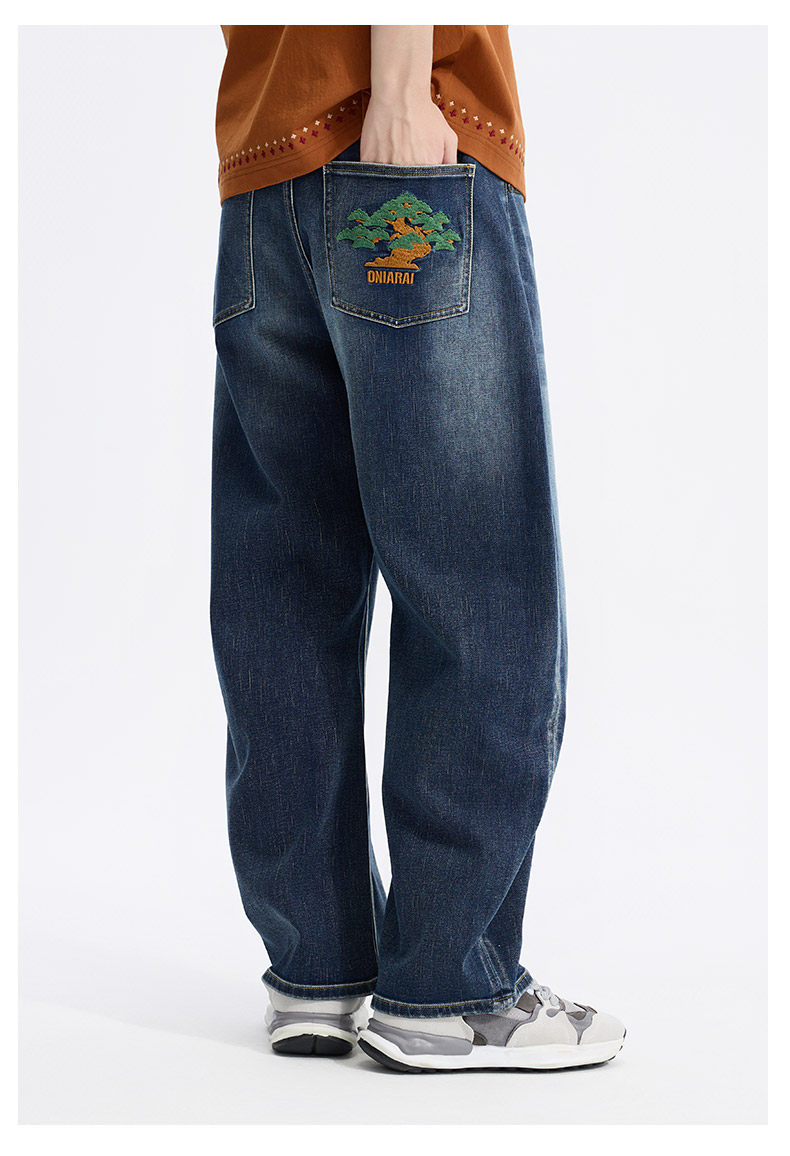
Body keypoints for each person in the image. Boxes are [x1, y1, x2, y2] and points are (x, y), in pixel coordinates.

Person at [211, 24, 625, 1072]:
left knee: (283, 584)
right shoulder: (405, 110)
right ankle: (450, 988)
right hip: (410, 146)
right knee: (478, 585)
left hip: (260, 170)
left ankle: (315, 970)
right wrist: (400, 89)